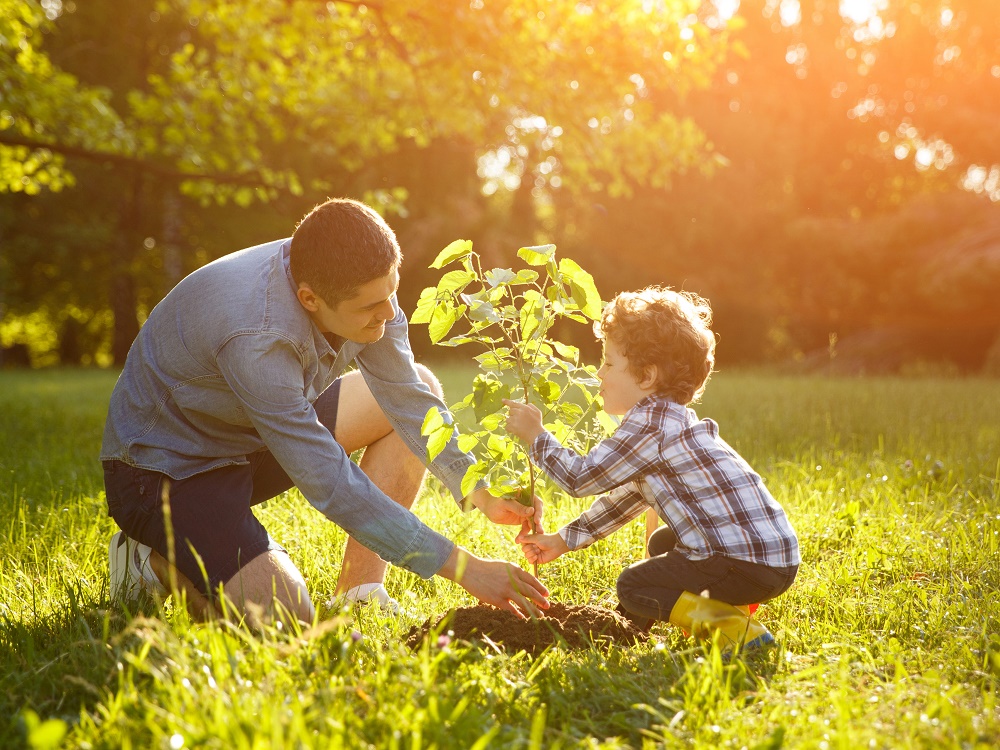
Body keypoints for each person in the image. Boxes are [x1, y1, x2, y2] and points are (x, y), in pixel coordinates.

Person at [102, 197, 548, 626]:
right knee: (285, 621)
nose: (391, 313)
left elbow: (408, 399)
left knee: (423, 383)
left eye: (391, 292)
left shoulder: (356, 284)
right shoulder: (257, 335)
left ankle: (360, 594)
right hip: (168, 470)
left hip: (253, 433)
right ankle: (151, 557)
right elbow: (331, 482)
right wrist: (465, 568)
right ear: (310, 298)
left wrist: (480, 491)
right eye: (371, 307)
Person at [506, 286, 799, 652]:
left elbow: (580, 479)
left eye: (609, 363)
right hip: (772, 559)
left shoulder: (649, 424)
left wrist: (536, 437)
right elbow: (625, 501)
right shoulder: (669, 422)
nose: (599, 373)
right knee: (662, 543)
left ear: (646, 377)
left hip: (744, 564)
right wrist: (563, 541)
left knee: (634, 586)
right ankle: (629, 629)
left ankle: (735, 631)